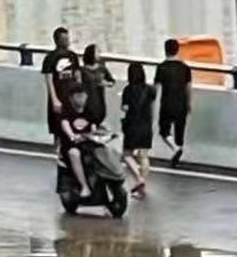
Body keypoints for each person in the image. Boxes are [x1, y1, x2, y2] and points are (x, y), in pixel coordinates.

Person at [155, 37, 192, 163]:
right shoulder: (185, 68)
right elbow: (188, 88)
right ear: (177, 50)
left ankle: (175, 149)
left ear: (165, 51)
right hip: (181, 103)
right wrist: (188, 104)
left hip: (166, 103)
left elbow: (156, 87)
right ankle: (178, 152)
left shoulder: (161, 68)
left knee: (164, 130)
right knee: (179, 131)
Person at [121, 60, 156, 192]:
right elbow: (151, 107)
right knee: (144, 156)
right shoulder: (150, 89)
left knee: (127, 154)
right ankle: (143, 186)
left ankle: (138, 178)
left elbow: (124, 108)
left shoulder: (128, 90)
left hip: (132, 125)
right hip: (146, 125)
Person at [59, 85, 97, 201]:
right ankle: (84, 186)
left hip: (87, 144)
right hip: (71, 145)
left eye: (83, 96)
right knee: (74, 154)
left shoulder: (89, 111)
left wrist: (96, 135)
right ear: (71, 98)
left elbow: (94, 127)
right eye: (78, 96)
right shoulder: (67, 111)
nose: (81, 99)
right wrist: (72, 135)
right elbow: (65, 124)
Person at [42, 26, 77, 142]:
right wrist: (54, 99)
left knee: (72, 124)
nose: (67, 41)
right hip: (59, 94)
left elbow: (77, 76)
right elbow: (49, 79)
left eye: (68, 38)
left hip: (71, 96)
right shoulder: (50, 58)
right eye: (64, 39)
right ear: (57, 40)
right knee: (57, 125)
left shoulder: (73, 56)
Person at [81, 44, 114, 127]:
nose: (99, 54)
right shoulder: (82, 70)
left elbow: (111, 81)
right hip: (87, 102)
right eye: (97, 52)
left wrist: (106, 83)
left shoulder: (102, 69)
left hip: (99, 101)